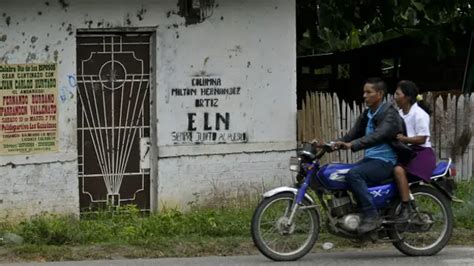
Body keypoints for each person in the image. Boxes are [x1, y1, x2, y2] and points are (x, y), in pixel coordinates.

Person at [332, 77, 411, 234]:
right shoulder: (368, 114)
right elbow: (351, 134)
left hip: (386, 161)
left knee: (354, 174)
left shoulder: (390, 114)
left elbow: (378, 135)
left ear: (380, 94)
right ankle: (356, 213)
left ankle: (371, 215)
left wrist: (353, 145)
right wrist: (332, 144)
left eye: (369, 92)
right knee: (340, 173)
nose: (364, 95)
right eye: (364, 92)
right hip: (371, 159)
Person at [393, 80, 436, 223]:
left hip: (421, 153)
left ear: (407, 97)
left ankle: (406, 209)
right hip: (407, 151)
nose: (395, 96)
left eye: (398, 94)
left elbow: (422, 139)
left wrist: (404, 139)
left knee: (399, 171)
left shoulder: (419, 114)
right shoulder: (399, 113)